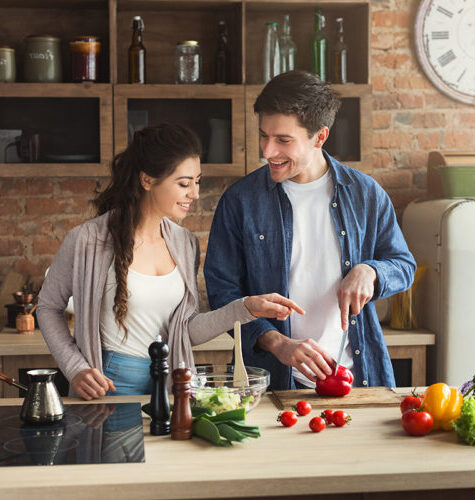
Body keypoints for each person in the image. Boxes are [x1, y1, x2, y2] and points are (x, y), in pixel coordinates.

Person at [37, 123, 303, 400]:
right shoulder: (87, 240)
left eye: (197, 181)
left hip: (171, 383)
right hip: (110, 383)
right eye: (184, 183)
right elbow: (47, 307)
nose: (195, 194)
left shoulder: (184, 243)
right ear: (147, 180)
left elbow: (185, 330)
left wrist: (245, 308)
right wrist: (75, 368)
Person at [204, 71, 416, 391]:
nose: (267, 151)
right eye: (264, 135)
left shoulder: (366, 194)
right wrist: (276, 342)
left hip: (355, 378)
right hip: (272, 383)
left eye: (283, 140)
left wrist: (370, 271)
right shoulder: (240, 201)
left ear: (320, 137)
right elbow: (223, 293)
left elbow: (403, 265)